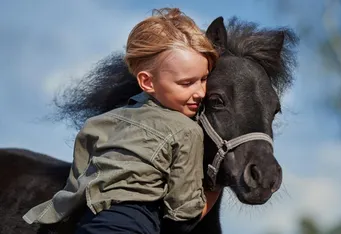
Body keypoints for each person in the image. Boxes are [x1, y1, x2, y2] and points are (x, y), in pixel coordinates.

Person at [23, 7, 221, 234]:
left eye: (204, 79)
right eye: (187, 83)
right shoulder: (187, 131)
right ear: (147, 82)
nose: (200, 92)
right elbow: (183, 213)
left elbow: (77, 188)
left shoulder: (96, 125)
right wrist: (214, 189)